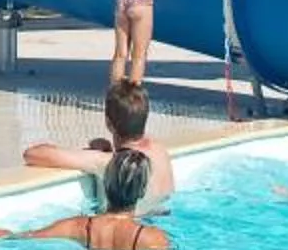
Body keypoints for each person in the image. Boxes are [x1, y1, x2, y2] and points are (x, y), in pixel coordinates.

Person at [0, 152, 172, 250]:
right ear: (142, 191)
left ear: (107, 183)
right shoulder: (152, 238)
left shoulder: (79, 227)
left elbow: (14, 237)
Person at [23, 76, 176, 205]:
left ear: (108, 123)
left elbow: (32, 154)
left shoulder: (106, 162)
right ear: (144, 117)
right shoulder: (160, 151)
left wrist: (98, 153)